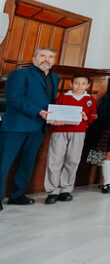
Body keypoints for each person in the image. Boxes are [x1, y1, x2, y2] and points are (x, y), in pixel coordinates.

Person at [1, 47, 59, 209]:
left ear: (54, 61)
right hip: (16, 126)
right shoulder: (19, 74)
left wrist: (59, 115)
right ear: (34, 58)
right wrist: (38, 111)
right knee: (3, 163)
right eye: (42, 56)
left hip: (39, 128)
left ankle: (17, 195)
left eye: (50, 57)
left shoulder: (55, 78)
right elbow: (14, 98)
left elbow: (52, 103)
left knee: (27, 163)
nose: (46, 59)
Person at [44, 73, 95, 204]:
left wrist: (86, 118)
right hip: (60, 131)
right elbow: (55, 113)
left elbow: (93, 116)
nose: (80, 86)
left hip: (78, 132)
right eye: (77, 83)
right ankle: (52, 191)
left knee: (73, 160)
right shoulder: (63, 97)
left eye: (83, 84)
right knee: (55, 160)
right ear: (71, 84)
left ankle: (65, 189)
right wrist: (55, 119)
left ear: (88, 86)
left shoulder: (90, 99)